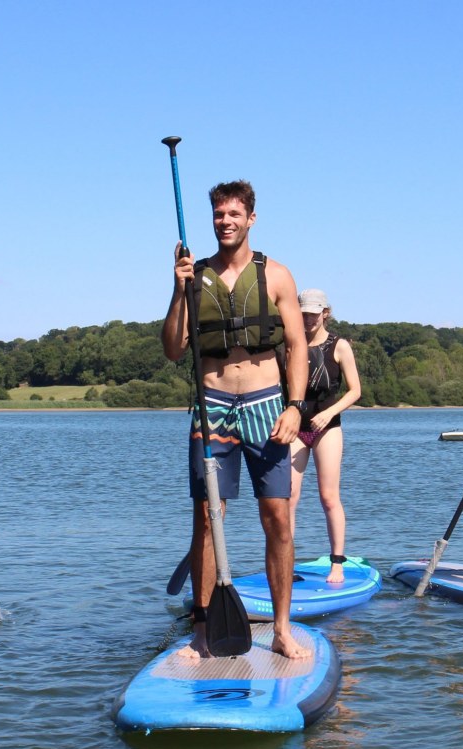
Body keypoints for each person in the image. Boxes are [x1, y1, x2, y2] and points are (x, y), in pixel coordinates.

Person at [161, 180, 312, 660]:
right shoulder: (195, 276)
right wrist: (177, 287)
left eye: (233, 214)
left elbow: (298, 347)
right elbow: (171, 349)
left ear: (251, 218)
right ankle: (202, 630)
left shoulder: (278, 276)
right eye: (218, 215)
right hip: (212, 407)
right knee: (208, 521)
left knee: (278, 520)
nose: (225, 222)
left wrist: (296, 406)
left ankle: (283, 628)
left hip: (268, 407)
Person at [288, 289, 362, 584]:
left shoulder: (339, 345)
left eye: (313, 313)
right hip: (295, 426)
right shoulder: (290, 343)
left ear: (325, 313)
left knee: (328, 497)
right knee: (287, 499)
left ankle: (337, 563)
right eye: (303, 312)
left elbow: (355, 390)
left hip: (326, 428)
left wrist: (330, 413)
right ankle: (286, 565)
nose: (307, 318)